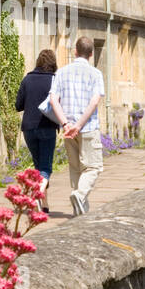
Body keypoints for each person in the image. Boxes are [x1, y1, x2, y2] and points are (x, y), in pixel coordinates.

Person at [49, 36, 105, 215]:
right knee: (93, 167)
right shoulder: (95, 73)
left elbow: (53, 100)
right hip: (87, 128)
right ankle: (80, 195)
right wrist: (79, 125)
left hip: (68, 129)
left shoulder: (62, 72)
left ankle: (79, 212)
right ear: (91, 53)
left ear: (75, 51)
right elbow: (94, 101)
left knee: (75, 169)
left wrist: (66, 123)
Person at [15, 48, 59, 210]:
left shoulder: (27, 79)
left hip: (28, 128)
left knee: (38, 167)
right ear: (53, 63)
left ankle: (45, 204)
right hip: (47, 128)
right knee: (45, 168)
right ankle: (37, 195)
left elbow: (18, 105)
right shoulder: (55, 80)